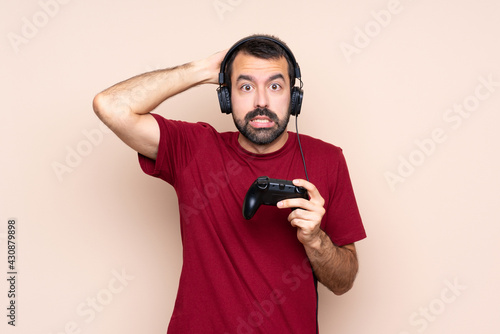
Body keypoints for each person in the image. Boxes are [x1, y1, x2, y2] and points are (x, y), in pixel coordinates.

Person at [93, 34, 366, 334]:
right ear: (226, 97)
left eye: (275, 86)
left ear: (294, 97)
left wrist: (315, 240)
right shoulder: (193, 149)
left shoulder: (328, 160)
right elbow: (110, 106)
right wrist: (202, 71)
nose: (261, 101)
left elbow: (344, 281)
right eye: (245, 86)